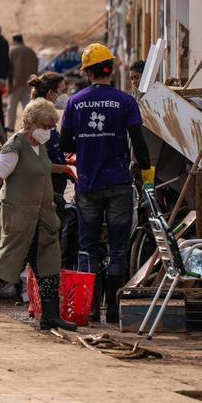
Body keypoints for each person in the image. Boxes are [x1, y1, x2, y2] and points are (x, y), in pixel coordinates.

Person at [60, 43, 154, 324]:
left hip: (88, 184)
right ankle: (113, 310)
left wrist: (87, 144)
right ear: (110, 69)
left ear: (87, 72)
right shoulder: (126, 102)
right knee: (118, 246)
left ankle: (89, 309)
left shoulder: (75, 102)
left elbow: (65, 143)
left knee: (87, 245)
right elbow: (139, 144)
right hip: (119, 183)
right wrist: (146, 172)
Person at [0, 99, 76, 331]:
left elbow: (41, 168)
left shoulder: (40, 145)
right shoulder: (14, 147)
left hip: (43, 217)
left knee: (49, 265)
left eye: (51, 127)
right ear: (30, 123)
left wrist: (65, 168)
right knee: (9, 264)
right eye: (45, 126)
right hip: (20, 217)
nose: (49, 131)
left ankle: (50, 315)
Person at [29, 72, 79, 269]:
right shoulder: (40, 120)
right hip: (47, 185)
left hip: (52, 183)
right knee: (47, 235)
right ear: (51, 93)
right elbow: (41, 162)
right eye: (63, 91)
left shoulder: (45, 117)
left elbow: (50, 152)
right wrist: (66, 168)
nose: (65, 96)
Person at [7, 33, 38, 131]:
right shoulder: (31, 51)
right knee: (27, 106)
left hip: (17, 82)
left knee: (11, 106)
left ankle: (10, 127)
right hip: (30, 82)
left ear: (14, 40)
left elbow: (9, 67)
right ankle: (27, 126)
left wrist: (10, 83)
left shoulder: (12, 50)